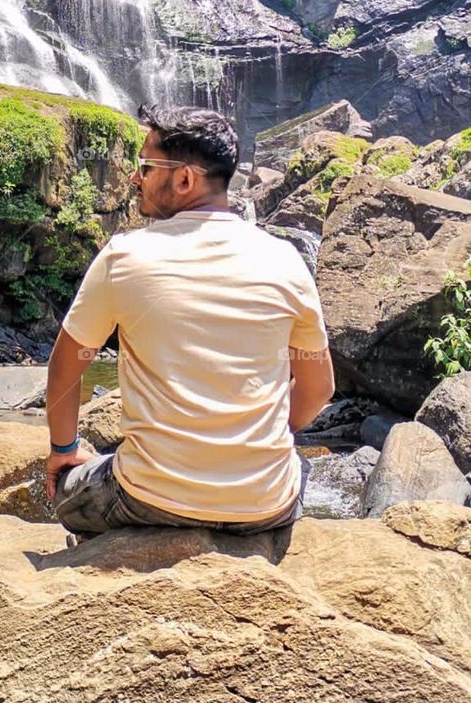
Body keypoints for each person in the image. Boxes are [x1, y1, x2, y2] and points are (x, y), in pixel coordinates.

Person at [45, 103, 334, 539]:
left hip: (147, 501)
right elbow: (318, 389)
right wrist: (257, 438)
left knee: (69, 486)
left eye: (144, 166)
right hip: (265, 508)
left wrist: (64, 449)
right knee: (299, 466)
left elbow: (65, 369)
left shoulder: (124, 256)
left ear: (184, 179)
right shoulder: (285, 260)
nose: (133, 178)